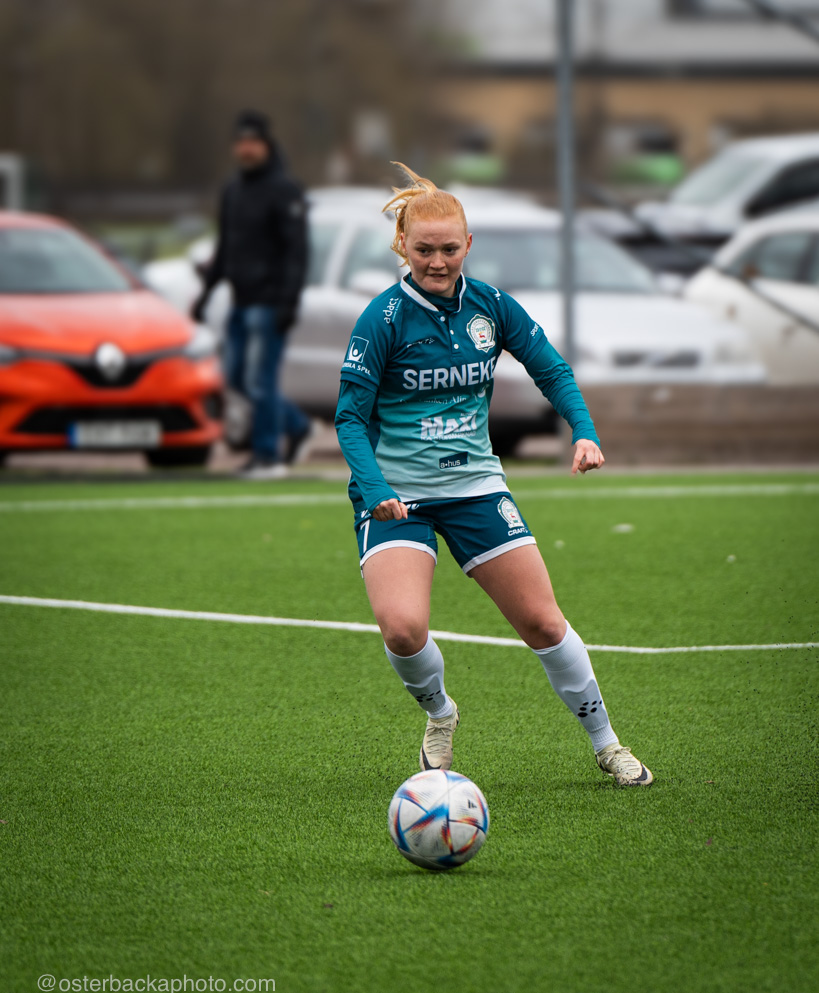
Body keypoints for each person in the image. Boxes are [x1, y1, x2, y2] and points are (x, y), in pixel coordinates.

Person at [334, 164, 653, 786]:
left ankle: (608, 744)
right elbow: (349, 417)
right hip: (397, 496)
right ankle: (440, 713)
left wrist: (584, 431)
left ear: (469, 245)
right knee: (403, 630)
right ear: (402, 245)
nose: (437, 261)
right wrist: (374, 489)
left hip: (476, 487)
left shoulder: (492, 306)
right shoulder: (382, 319)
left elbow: (551, 369)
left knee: (543, 623)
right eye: (424, 249)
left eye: (450, 248)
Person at [192, 109, 315, 480]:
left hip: (270, 302)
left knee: (261, 383)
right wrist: (205, 293)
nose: (246, 149)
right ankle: (297, 426)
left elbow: (297, 252)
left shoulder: (284, 189)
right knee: (238, 379)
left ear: (266, 144)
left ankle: (267, 456)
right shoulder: (233, 190)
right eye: (241, 142)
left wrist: (289, 302)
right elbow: (225, 248)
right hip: (240, 301)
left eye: (253, 142)